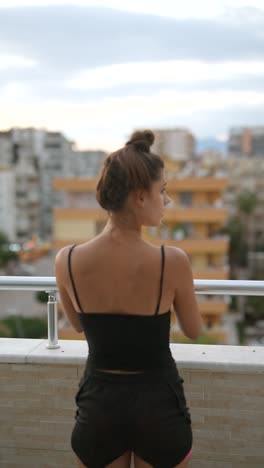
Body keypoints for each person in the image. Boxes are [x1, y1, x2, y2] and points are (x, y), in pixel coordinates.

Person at [55, 129, 202, 468]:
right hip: (158, 406)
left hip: (99, 405)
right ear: (139, 197)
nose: (167, 202)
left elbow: (77, 325)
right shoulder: (173, 261)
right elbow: (194, 330)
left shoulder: (67, 259)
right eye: (162, 192)